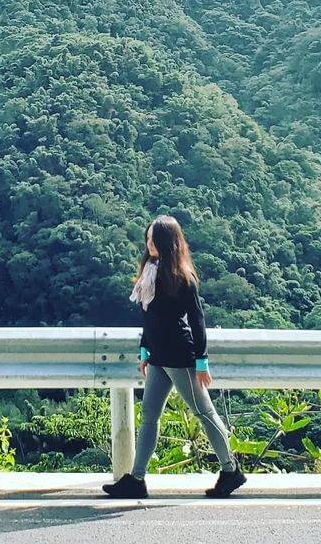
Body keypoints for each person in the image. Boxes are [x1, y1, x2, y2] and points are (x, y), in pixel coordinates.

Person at [103, 214, 246, 499]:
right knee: (149, 417)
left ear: (168, 242)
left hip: (180, 357)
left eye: (154, 239)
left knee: (203, 413)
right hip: (158, 358)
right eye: (148, 239)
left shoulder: (183, 278)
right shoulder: (150, 273)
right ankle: (136, 479)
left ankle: (231, 470)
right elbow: (151, 318)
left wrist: (201, 361)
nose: (150, 244)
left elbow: (197, 320)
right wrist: (145, 350)